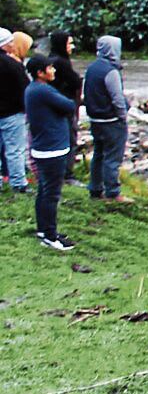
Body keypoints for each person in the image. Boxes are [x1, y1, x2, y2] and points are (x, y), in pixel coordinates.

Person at [24, 55, 76, 251]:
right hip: (52, 150)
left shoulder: (33, 89)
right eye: (50, 68)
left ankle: (43, 229)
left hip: (43, 147)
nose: (54, 71)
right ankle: (51, 236)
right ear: (40, 73)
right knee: (52, 194)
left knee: (44, 192)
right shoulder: (43, 91)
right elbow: (69, 106)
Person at [83, 35, 129, 200]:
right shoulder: (111, 71)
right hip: (111, 121)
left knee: (98, 154)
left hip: (95, 120)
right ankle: (113, 192)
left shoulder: (92, 68)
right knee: (112, 158)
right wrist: (123, 117)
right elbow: (117, 98)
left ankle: (95, 189)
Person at [0, 29, 27, 195]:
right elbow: (24, 88)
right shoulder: (13, 65)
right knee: (15, 150)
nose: (12, 45)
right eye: (10, 42)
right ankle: (18, 183)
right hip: (12, 113)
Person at [46, 32, 81, 105]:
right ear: (62, 44)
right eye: (69, 44)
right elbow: (75, 82)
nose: (72, 46)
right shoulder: (61, 62)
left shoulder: (51, 58)